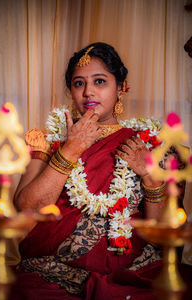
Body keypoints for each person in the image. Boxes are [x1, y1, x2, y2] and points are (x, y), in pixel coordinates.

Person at [10, 42, 183, 300]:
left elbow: (163, 233)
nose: (88, 92)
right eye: (79, 83)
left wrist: (148, 174)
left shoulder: (147, 144)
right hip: (50, 273)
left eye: (99, 81)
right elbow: (27, 208)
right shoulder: (49, 139)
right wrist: (70, 149)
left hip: (132, 273)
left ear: (121, 88)